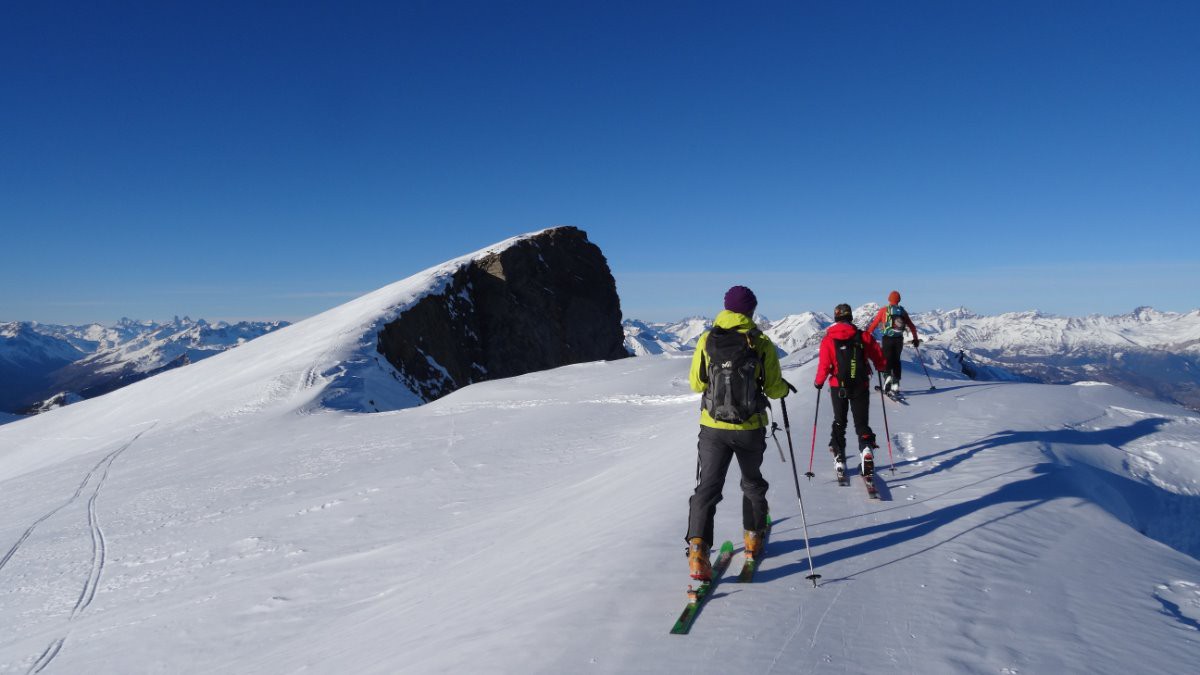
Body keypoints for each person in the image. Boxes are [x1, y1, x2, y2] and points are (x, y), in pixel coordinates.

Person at [685, 285, 789, 580]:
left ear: (726, 308)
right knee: (752, 483)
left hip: (713, 428)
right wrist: (784, 389)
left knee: (707, 489)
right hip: (749, 428)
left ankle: (697, 553)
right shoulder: (760, 342)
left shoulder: (707, 339)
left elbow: (696, 383)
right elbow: (772, 387)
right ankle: (753, 539)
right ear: (751, 310)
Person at [814, 303, 888, 478]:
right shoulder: (863, 336)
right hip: (860, 386)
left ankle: (839, 457)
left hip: (837, 387)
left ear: (836, 318)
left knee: (840, 422)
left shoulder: (828, 339)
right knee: (861, 423)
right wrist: (882, 367)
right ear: (850, 317)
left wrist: (818, 382)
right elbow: (878, 356)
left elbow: (824, 365)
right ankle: (866, 449)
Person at [866, 290, 920, 394]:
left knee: (886, 359)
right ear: (899, 300)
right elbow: (912, 326)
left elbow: (874, 324)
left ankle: (887, 377)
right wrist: (915, 339)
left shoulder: (884, 310)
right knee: (896, 361)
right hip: (899, 340)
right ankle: (895, 384)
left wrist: (866, 336)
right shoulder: (902, 311)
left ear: (889, 299)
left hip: (887, 339)